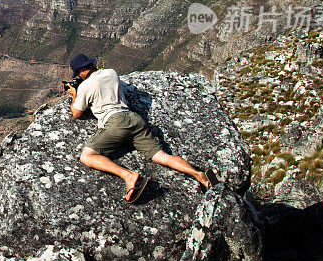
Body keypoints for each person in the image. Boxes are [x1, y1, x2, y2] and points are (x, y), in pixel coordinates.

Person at [65, 54, 216, 203]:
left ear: (82, 70)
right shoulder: (111, 73)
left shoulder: (85, 86)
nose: (79, 76)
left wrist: (75, 94)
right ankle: (198, 174)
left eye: (78, 73)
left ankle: (128, 175)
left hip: (115, 123)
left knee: (87, 156)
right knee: (162, 156)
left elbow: (76, 113)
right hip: (135, 120)